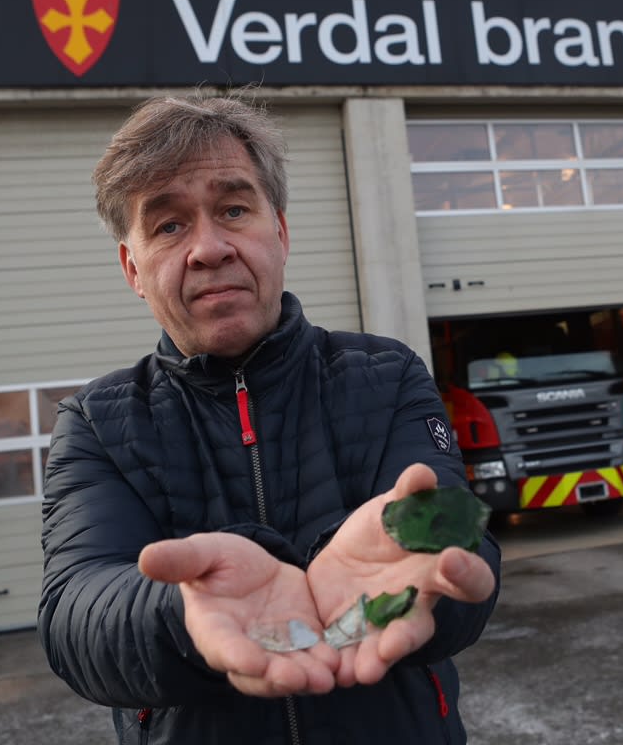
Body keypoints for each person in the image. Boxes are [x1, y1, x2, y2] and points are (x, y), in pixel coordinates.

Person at [38, 95, 501, 745]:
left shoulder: (388, 375)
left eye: (233, 209)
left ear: (279, 233)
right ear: (132, 269)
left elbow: (460, 543)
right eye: (168, 225)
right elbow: (74, 612)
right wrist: (184, 611)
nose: (208, 248)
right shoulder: (95, 423)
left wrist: (420, 571)